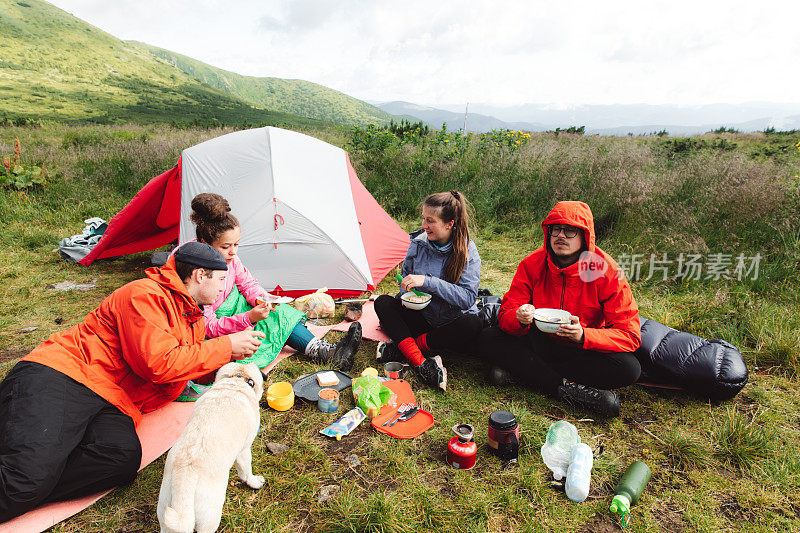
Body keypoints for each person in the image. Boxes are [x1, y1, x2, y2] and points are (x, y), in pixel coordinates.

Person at [0, 242, 265, 523]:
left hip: (114, 399)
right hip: (66, 374)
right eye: (222, 280)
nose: (224, 288)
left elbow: (183, 364)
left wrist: (230, 368)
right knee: (22, 482)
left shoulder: (192, 317)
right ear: (201, 275)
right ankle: (32, 478)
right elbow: (157, 364)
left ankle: (41, 473)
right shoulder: (144, 295)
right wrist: (224, 347)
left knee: (119, 461)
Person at [477, 201, 641, 417]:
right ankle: (565, 389)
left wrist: (584, 336)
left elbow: (629, 335)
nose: (560, 235)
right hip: (539, 340)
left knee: (629, 368)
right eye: (555, 228)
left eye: (570, 230)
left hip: (582, 351)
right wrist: (520, 318)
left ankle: (523, 374)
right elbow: (507, 312)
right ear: (548, 232)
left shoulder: (607, 271)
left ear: (585, 236)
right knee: (488, 338)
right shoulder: (531, 264)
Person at [183, 193, 361, 387]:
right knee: (239, 340)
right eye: (226, 247)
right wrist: (248, 318)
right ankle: (243, 370)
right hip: (211, 325)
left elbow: (246, 282)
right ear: (204, 243)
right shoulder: (195, 273)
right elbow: (207, 326)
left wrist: (263, 298)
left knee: (278, 313)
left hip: (234, 305)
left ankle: (325, 352)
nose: (233, 252)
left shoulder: (230, 258)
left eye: (236, 244)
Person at [374, 190, 483, 391]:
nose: (424, 226)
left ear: (449, 224)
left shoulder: (468, 251)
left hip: (450, 324)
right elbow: (405, 279)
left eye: (430, 221)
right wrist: (407, 291)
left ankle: (406, 346)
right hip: (422, 315)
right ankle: (419, 360)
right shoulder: (417, 243)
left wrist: (427, 282)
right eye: (423, 219)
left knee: (473, 323)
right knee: (382, 303)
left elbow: (467, 299)